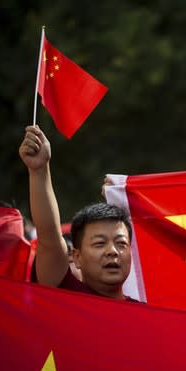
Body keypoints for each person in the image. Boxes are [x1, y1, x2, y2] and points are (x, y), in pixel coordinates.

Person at [19, 125, 136, 301]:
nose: (112, 251)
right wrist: (39, 170)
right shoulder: (66, 295)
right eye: (99, 244)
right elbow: (49, 237)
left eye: (121, 244)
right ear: (77, 257)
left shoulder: (147, 316)